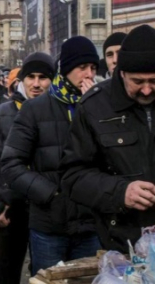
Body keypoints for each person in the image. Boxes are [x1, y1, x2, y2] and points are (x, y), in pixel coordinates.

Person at [0, 36, 101, 276]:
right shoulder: (35, 109)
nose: (89, 74)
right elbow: (10, 163)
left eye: (93, 68)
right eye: (82, 68)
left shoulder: (100, 105)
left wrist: (94, 108)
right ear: (66, 70)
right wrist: (49, 194)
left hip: (90, 224)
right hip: (49, 226)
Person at [61, 25, 155, 254]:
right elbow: (73, 177)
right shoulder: (94, 106)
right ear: (121, 72)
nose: (146, 90)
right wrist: (121, 192)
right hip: (123, 244)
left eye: (153, 81)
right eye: (137, 82)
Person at [0, 52, 55, 283]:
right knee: (6, 275)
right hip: (11, 211)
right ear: (21, 80)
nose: (36, 84)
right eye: (31, 77)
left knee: (46, 276)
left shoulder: (59, 111)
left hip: (49, 209)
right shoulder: (3, 113)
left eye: (43, 77)